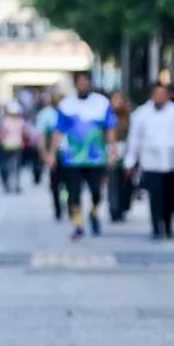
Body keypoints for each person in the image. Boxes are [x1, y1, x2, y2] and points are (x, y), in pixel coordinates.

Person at [53, 71, 117, 240]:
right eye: (80, 82)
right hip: (71, 159)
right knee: (73, 194)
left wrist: (112, 150)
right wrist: (51, 154)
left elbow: (109, 129)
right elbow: (58, 131)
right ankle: (78, 224)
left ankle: (94, 213)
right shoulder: (66, 105)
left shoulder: (102, 104)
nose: (83, 85)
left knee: (96, 192)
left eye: (86, 82)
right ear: (75, 84)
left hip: (96, 158)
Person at [125, 82, 174, 239]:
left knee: (172, 196)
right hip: (151, 163)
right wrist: (130, 161)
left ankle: (168, 225)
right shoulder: (141, 114)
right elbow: (134, 140)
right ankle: (156, 226)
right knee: (155, 196)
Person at [35, 90, 63, 221]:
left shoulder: (68, 113)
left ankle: (68, 202)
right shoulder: (46, 115)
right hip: (55, 153)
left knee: (67, 183)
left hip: (70, 154)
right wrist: (44, 153)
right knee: (56, 182)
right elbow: (41, 136)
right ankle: (58, 207)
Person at [108, 90, 135, 223]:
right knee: (113, 182)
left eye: (120, 99)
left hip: (127, 152)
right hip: (111, 152)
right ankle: (114, 209)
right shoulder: (107, 116)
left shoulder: (130, 117)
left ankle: (124, 207)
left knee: (126, 183)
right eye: (115, 99)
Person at [0, 102, 26, 192]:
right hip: (17, 145)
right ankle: (16, 184)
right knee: (16, 167)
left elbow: (1, 134)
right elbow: (23, 133)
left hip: (6, 146)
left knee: (5, 165)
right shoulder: (20, 121)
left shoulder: (5, 121)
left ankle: (7, 183)